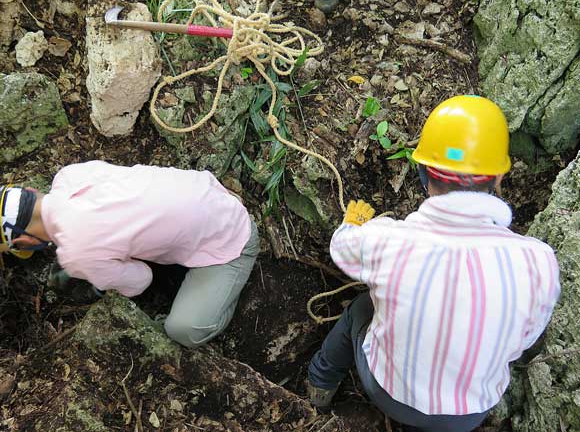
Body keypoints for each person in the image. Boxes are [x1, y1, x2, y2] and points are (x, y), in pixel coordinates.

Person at [306, 96, 560, 431]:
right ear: (498, 177)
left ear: (424, 173)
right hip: (469, 414)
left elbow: (341, 247)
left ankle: (319, 386)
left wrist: (351, 223)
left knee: (361, 307)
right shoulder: (538, 262)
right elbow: (522, 342)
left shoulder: (387, 240)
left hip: (386, 392)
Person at [0, 161, 259, 348]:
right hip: (209, 195)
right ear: (30, 191)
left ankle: (230, 298)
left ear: (23, 241)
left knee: (183, 330)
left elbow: (141, 279)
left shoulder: (76, 255)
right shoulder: (70, 176)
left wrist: (96, 275)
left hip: (231, 240)